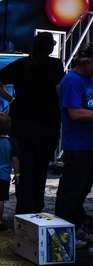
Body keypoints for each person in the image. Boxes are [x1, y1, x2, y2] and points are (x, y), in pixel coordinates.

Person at [0, 32, 64, 214]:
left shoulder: (21, 63)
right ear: (51, 47)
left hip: (21, 121)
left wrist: (12, 99)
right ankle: (37, 209)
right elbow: (60, 90)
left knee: (24, 169)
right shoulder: (55, 65)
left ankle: (23, 210)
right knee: (41, 169)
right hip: (47, 122)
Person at [55, 44, 93, 244]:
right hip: (78, 146)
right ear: (87, 63)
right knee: (71, 191)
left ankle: (76, 228)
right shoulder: (72, 81)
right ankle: (62, 234)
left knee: (82, 190)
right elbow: (75, 113)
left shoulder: (88, 79)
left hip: (88, 145)